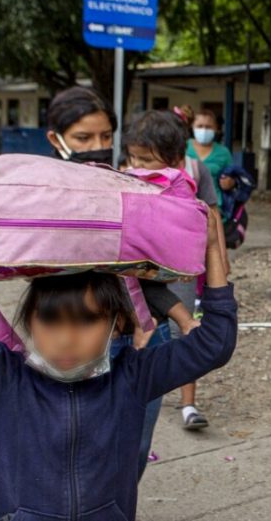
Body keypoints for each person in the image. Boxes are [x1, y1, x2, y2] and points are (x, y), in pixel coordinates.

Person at [0, 157, 236, 521]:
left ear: (117, 326)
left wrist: (211, 250)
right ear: (30, 323)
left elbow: (215, 342)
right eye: (50, 320)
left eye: (86, 321)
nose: (66, 338)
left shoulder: (132, 378)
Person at [45, 87, 192, 471]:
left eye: (106, 137)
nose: (97, 146)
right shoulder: (39, 196)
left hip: (146, 336)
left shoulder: (132, 187)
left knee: (134, 448)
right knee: (78, 450)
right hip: (78, 336)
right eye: (83, 137)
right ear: (55, 139)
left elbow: (159, 265)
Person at [124, 110, 217, 432]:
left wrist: (216, 264)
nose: (136, 166)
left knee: (184, 331)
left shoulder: (192, 176)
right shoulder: (125, 181)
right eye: (132, 157)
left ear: (177, 158)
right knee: (139, 334)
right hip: (136, 275)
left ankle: (188, 403)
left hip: (177, 270)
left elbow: (208, 216)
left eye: (146, 159)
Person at [187, 109, 234, 211]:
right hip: (186, 208)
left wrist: (230, 183)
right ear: (192, 127)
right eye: (200, 126)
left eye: (208, 127)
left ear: (216, 129)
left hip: (214, 209)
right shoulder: (182, 147)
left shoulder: (223, 152)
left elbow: (233, 176)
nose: (204, 130)